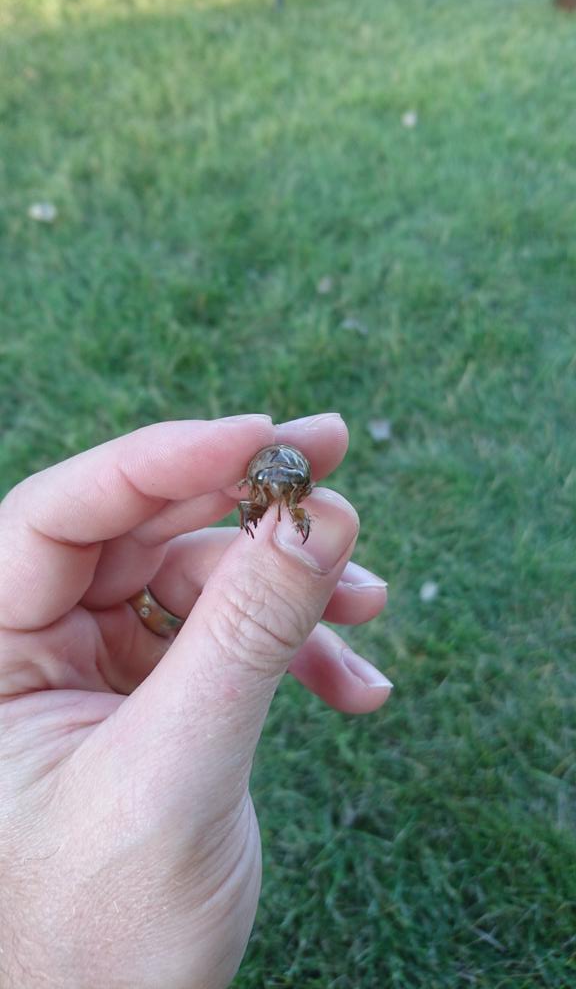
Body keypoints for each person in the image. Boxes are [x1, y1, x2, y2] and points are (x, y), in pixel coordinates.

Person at [0, 412, 392, 988]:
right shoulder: (266, 488)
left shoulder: (281, 484)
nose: (278, 495)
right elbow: (262, 496)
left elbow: (278, 489)